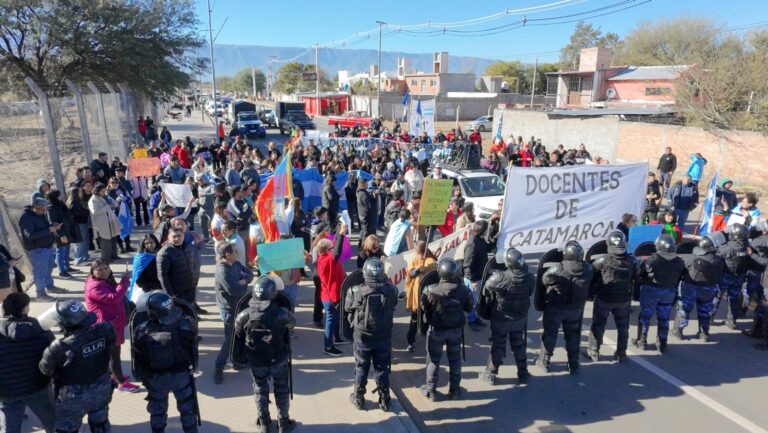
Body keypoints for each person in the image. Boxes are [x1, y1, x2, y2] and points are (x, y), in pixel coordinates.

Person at [38, 300, 115, 433]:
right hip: (101, 388)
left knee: (67, 428)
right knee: (100, 424)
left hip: (73, 397)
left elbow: (45, 369)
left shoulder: (60, 347)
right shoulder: (106, 329)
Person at [232, 276, 296, 433]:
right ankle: (283, 423)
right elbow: (292, 323)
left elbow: (238, 333)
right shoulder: (281, 313)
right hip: (278, 358)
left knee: (260, 389)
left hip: (256, 360)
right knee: (281, 389)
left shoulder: (244, 315)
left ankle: (264, 423)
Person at [132, 291, 199, 433]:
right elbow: (192, 348)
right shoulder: (186, 323)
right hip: (182, 375)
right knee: (187, 408)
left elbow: (138, 355)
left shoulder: (142, 330)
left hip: (156, 378)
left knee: (157, 410)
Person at [345, 258, 398, 411]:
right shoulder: (392, 290)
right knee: (382, 367)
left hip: (362, 336)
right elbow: (393, 304)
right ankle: (384, 399)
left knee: (361, 367)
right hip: (383, 335)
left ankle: (358, 398)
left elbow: (347, 308)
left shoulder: (355, 290)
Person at [0, 292, 56, 433]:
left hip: (7, 391)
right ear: (25, 308)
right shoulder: (41, 330)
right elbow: (53, 356)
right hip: (37, 386)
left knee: (11, 426)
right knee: (52, 420)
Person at [478, 247, 535, 385]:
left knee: (498, 345)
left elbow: (485, 291)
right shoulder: (529, 277)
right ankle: (523, 372)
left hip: (501, 318)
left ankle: (490, 374)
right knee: (518, 344)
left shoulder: (500, 277)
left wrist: (495, 276)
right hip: (520, 317)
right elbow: (530, 292)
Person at [535, 241, 593, 375]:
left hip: (556, 308)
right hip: (575, 309)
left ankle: (544, 360)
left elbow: (543, 280)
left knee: (550, 334)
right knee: (572, 335)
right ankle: (573, 363)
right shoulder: (588, 269)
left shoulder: (558, 268)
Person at [420, 259, 473, 401]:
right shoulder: (463, 290)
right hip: (455, 330)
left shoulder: (430, 290)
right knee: (455, 360)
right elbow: (469, 308)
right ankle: (455, 391)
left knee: (433, 360)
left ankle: (431, 391)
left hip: (437, 330)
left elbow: (423, 309)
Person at [84, 259, 140, 392]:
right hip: (106, 326)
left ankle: (114, 375)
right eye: (99, 269)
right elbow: (114, 297)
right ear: (92, 272)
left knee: (110, 354)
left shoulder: (103, 282)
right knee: (114, 355)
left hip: (112, 323)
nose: (103, 272)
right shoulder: (94, 286)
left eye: (105, 268)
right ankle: (121, 382)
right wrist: (125, 281)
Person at [587, 231, 637, 362]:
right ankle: (621, 352)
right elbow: (637, 278)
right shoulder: (632, 260)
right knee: (623, 327)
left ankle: (594, 351)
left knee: (598, 324)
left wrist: (590, 295)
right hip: (624, 300)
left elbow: (589, 276)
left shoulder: (602, 260)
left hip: (604, 298)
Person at [634, 234, 685, 353]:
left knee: (645, 316)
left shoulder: (651, 260)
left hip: (651, 291)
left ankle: (642, 340)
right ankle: (662, 343)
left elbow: (640, 274)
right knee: (664, 318)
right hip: (669, 293)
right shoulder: (679, 262)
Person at [214, 243, 254, 384]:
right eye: (235, 251)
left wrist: (244, 280)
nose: (237, 253)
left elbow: (250, 274)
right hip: (229, 310)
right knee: (229, 339)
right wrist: (243, 283)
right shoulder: (223, 271)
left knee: (240, 335)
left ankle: (238, 361)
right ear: (227, 254)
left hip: (239, 306)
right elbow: (235, 290)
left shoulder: (235, 264)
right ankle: (218, 368)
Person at [672, 235, 724, 341]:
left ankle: (678, 330)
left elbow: (679, 269)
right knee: (705, 311)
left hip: (690, 287)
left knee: (684, 309)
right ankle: (704, 333)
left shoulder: (690, 258)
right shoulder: (718, 261)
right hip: (709, 289)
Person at [20, 197, 64, 301]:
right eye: (43, 209)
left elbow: (43, 227)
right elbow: (29, 235)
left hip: (47, 246)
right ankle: (40, 294)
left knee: (48, 268)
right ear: (36, 208)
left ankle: (50, 287)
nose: (45, 211)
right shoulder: (26, 218)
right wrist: (49, 229)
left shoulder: (40, 214)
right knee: (40, 272)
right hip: (37, 249)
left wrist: (52, 226)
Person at [317, 225, 348, 356]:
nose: (333, 247)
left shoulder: (325, 256)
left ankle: (337, 338)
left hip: (330, 295)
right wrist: (341, 234)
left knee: (335, 318)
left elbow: (334, 246)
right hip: (330, 297)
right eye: (331, 247)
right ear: (327, 250)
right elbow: (337, 251)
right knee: (331, 319)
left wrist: (337, 232)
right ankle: (328, 346)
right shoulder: (327, 260)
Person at [713, 223, 751, 329]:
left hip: (724, 277)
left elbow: (716, 259)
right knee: (734, 299)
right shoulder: (747, 248)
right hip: (739, 278)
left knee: (717, 296)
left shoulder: (726, 248)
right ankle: (732, 322)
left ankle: (709, 317)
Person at [405, 241, 437, 352]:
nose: (416, 254)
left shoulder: (431, 262)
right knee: (414, 319)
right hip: (416, 296)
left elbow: (434, 277)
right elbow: (410, 272)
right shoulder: (416, 258)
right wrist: (418, 270)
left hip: (427, 296)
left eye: (417, 252)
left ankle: (429, 340)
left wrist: (426, 270)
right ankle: (411, 341)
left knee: (428, 319)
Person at [157, 227, 197, 303]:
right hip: (177, 293)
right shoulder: (164, 253)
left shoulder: (188, 247)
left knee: (190, 311)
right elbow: (162, 276)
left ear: (183, 236)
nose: (177, 239)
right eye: (174, 236)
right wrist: (170, 294)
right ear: (168, 237)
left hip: (190, 289)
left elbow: (192, 266)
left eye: (179, 236)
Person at [46, 189, 79, 279]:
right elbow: (53, 223)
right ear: (55, 197)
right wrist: (61, 235)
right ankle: (61, 271)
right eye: (59, 195)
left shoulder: (60, 205)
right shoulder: (51, 208)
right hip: (60, 233)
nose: (62, 197)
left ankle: (67, 267)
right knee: (60, 251)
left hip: (66, 230)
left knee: (66, 250)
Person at [463, 221, 490, 331]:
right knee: (472, 301)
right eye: (487, 229)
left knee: (477, 300)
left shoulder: (480, 239)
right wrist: (472, 280)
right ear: (483, 230)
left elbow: (486, 248)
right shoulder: (472, 243)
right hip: (473, 279)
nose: (489, 231)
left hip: (479, 276)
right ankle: (471, 320)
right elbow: (467, 264)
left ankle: (475, 317)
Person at [89, 183, 122, 263]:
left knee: (113, 239)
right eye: (102, 191)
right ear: (97, 191)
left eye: (104, 191)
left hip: (109, 221)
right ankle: (106, 258)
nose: (104, 193)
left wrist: (113, 205)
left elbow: (111, 205)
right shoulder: (93, 200)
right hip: (101, 224)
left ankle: (114, 255)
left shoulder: (103, 197)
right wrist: (107, 207)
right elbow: (95, 211)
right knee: (105, 241)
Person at [67, 186, 91, 266]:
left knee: (84, 240)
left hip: (82, 223)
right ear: (76, 193)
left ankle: (83, 257)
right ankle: (78, 259)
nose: (82, 193)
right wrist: (87, 211)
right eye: (80, 192)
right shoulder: (73, 202)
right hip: (78, 224)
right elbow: (77, 213)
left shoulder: (78, 201)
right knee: (80, 242)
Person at [356, 178, 378, 246]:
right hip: (366, 216)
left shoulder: (361, 192)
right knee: (366, 233)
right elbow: (369, 206)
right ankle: (364, 247)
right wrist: (374, 198)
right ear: (362, 184)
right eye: (366, 183)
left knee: (364, 231)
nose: (367, 185)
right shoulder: (363, 194)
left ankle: (362, 245)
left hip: (363, 215)